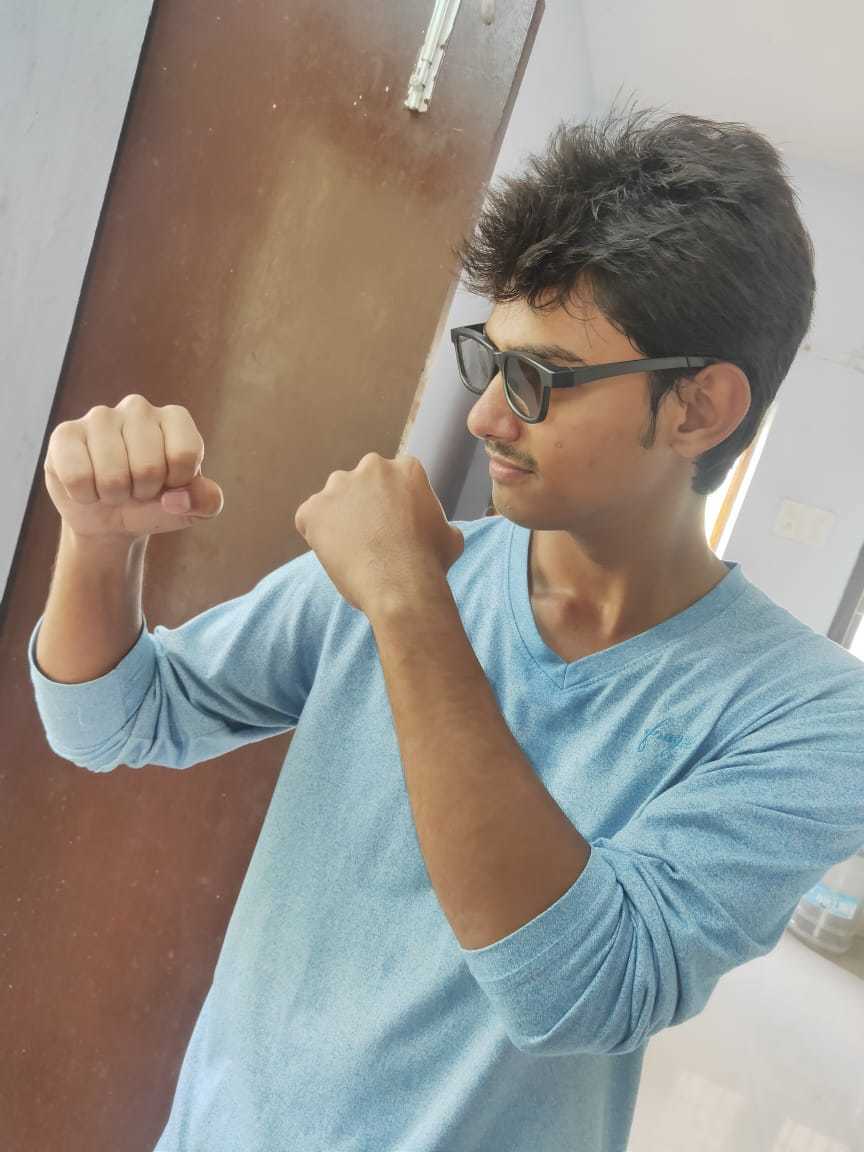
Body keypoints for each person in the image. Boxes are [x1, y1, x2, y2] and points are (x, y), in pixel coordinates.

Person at [29, 104, 864, 1152]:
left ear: (699, 409)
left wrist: (409, 604)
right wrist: (97, 540)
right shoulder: (411, 566)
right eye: (492, 359)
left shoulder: (811, 715)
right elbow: (109, 722)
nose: (486, 416)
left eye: (541, 380)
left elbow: (582, 989)